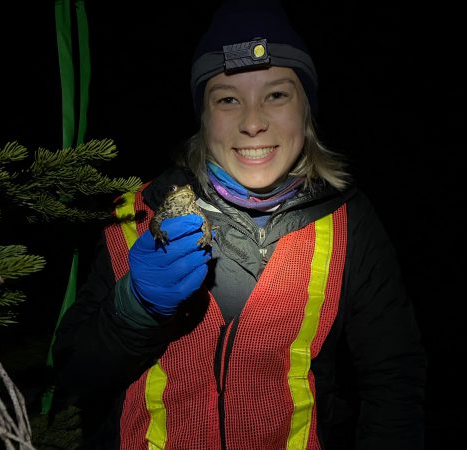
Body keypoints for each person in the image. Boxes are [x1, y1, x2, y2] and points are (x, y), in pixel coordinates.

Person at [53, 0, 427, 448]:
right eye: (228, 99)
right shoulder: (135, 213)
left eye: (277, 94)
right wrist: (134, 308)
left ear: (306, 111)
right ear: (204, 118)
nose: (253, 122)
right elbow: (75, 374)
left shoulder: (350, 220)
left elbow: (393, 382)